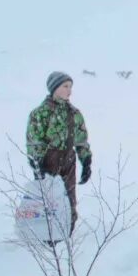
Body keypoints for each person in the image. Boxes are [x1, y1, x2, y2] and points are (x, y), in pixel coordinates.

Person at [26, 71, 92, 232]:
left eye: (71, 87)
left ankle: (67, 236)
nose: (70, 91)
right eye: (65, 86)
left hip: (68, 161)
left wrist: (86, 162)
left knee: (69, 202)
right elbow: (34, 142)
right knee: (49, 203)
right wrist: (37, 165)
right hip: (48, 162)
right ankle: (47, 238)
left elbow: (81, 140)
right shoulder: (40, 113)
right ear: (54, 88)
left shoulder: (74, 113)